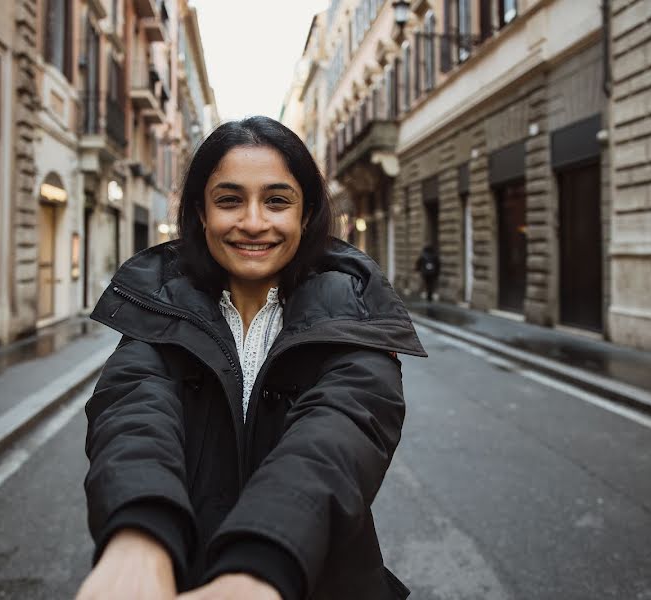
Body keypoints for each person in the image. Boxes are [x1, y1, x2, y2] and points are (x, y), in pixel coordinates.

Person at [76, 116, 425, 600]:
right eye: (230, 200)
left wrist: (260, 565)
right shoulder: (159, 309)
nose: (254, 222)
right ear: (201, 213)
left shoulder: (356, 317)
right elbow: (131, 412)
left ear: (305, 214)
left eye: (277, 201)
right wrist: (140, 533)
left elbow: (340, 434)